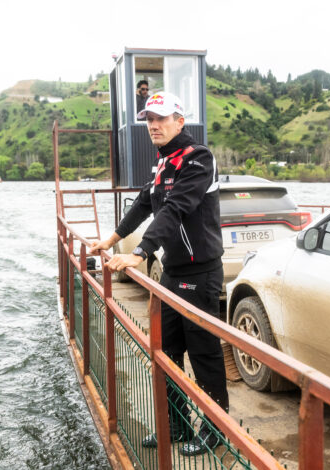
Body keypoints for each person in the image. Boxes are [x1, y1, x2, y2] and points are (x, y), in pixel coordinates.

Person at [90, 91, 228, 456]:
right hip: (173, 271)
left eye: (161, 118)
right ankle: (179, 425)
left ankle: (216, 429)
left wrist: (139, 251)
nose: (153, 125)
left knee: (204, 352)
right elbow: (145, 203)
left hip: (201, 272)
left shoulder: (198, 158)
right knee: (166, 351)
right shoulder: (163, 161)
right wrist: (113, 239)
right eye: (149, 119)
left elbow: (176, 209)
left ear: (179, 122)